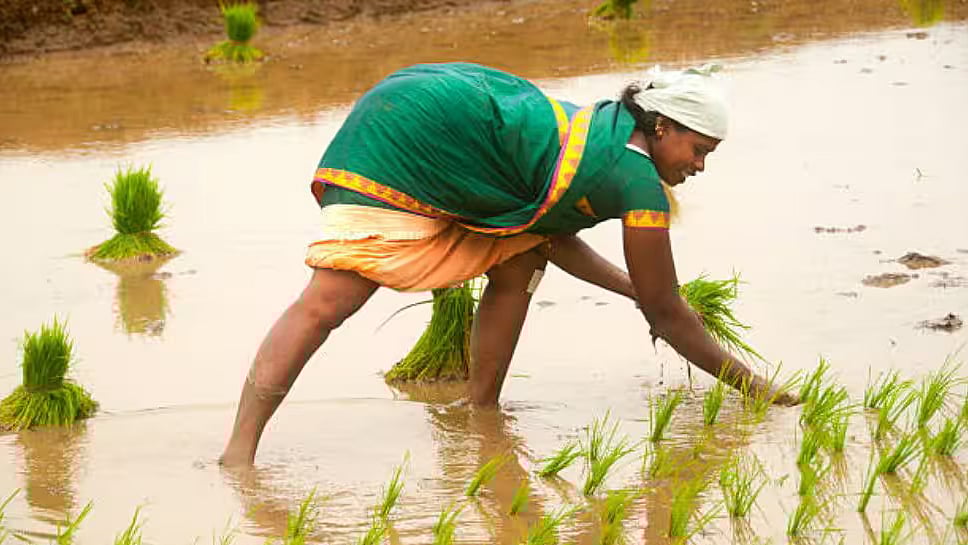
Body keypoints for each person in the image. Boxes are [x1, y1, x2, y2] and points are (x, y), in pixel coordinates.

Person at [219, 62, 797, 466]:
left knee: (517, 263)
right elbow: (668, 311)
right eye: (699, 149)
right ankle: (238, 455)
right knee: (330, 301)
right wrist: (758, 387)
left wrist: (640, 297)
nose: (700, 166)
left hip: (436, 106)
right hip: (415, 134)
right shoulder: (636, 182)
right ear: (662, 127)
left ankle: (481, 414)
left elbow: (550, 240)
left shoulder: (609, 131)